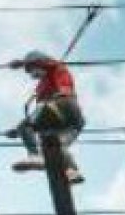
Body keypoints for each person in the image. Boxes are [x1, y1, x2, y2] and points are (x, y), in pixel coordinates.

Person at [8, 50, 85, 183]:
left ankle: (35, 156)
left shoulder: (55, 68)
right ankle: (72, 172)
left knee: (26, 125)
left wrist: (22, 63)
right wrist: (17, 132)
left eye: (33, 70)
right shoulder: (41, 86)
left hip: (63, 105)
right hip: (72, 122)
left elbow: (46, 62)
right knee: (55, 145)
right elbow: (38, 116)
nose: (34, 74)